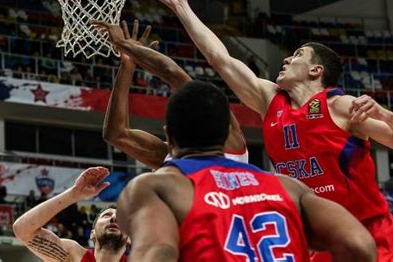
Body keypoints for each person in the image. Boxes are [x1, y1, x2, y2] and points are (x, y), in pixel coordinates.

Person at [144, 0, 393, 261]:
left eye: (297, 55)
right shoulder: (270, 100)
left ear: (316, 70)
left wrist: (386, 114)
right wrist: (182, 8)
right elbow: (221, 59)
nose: (286, 60)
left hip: (369, 233)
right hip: (318, 238)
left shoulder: (340, 106)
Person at [116, 80, 376, 261]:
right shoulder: (289, 187)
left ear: (169, 137)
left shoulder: (157, 188)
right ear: (227, 133)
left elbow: (157, 253)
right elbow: (359, 245)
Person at [94, 19, 248, 169]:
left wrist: (123, 44)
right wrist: (128, 64)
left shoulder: (229, 142)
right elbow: (115, 135)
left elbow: (171, 72)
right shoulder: (175, 155)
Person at [13, 167, 129, 262]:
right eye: (106, 215)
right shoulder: (73, 255)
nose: (114, 218)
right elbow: (23, 229)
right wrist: (74, 194)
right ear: (92, 233)